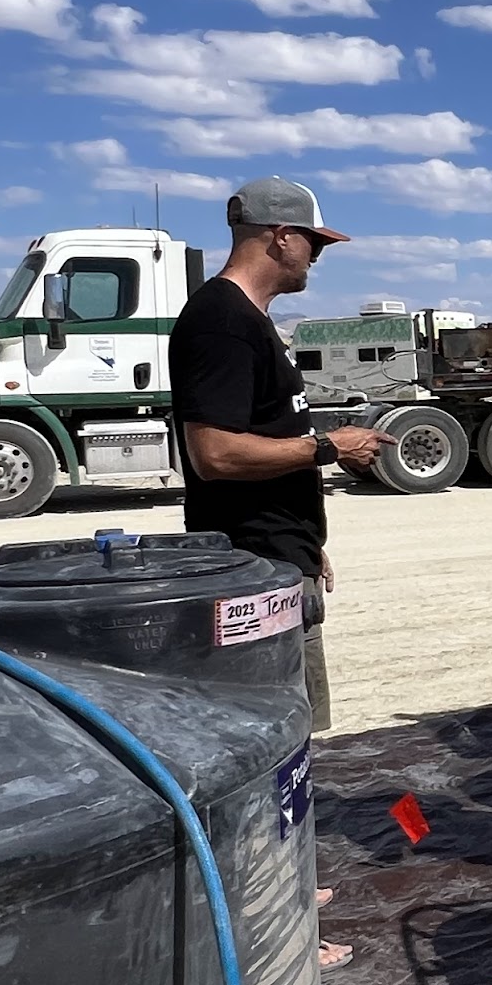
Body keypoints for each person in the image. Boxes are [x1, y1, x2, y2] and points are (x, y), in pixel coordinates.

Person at [170, 175, 381, 742]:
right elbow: (214, 453)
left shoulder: (249, 320)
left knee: (296, 734)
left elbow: (259, 441)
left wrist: (305, 540)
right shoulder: (222, 321)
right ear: (282, 236)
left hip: (280, 557)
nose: (317, 257)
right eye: (315, 242)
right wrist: (330, 446)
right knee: (279, 740)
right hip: (256, 574)